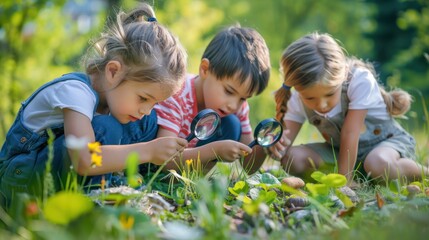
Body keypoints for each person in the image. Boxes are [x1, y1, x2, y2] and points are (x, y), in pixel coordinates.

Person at [0, 3, 188, 206]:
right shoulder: (76, 93)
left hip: (51, 170)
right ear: (113, 71)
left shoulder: (113, 98)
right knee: (106, 128)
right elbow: (84, 159)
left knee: (149, 122)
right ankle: (101, 197)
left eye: (155, 102)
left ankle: (118, 186)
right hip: (20, 187)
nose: (145, 109)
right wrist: (148, 151)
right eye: (143, 98)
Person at [271, 32, 429, 186]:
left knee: (377, 163)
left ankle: (424, 172)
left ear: (343, 76)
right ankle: (361, 178)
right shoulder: (295, 98)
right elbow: (285, 141)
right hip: (342, 152)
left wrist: (344, 181)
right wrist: (276, 145)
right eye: (310, 98)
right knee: (293, 159)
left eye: (330, 94)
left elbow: (350, 132)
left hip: (386, 146)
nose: (322, 105)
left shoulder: (359, 81)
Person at [155, 25, 271, 174]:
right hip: (155, 165)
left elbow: (249, 166)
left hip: (186, 164)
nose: (234, 105)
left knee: (232, 124)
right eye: (229, 91)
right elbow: (165, 161)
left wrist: (266, 145)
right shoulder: (177, 94)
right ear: (205, 69)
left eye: (243, 98)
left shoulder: (239, 107)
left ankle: (192, 181)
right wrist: (214, 151)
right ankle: (175, 181)